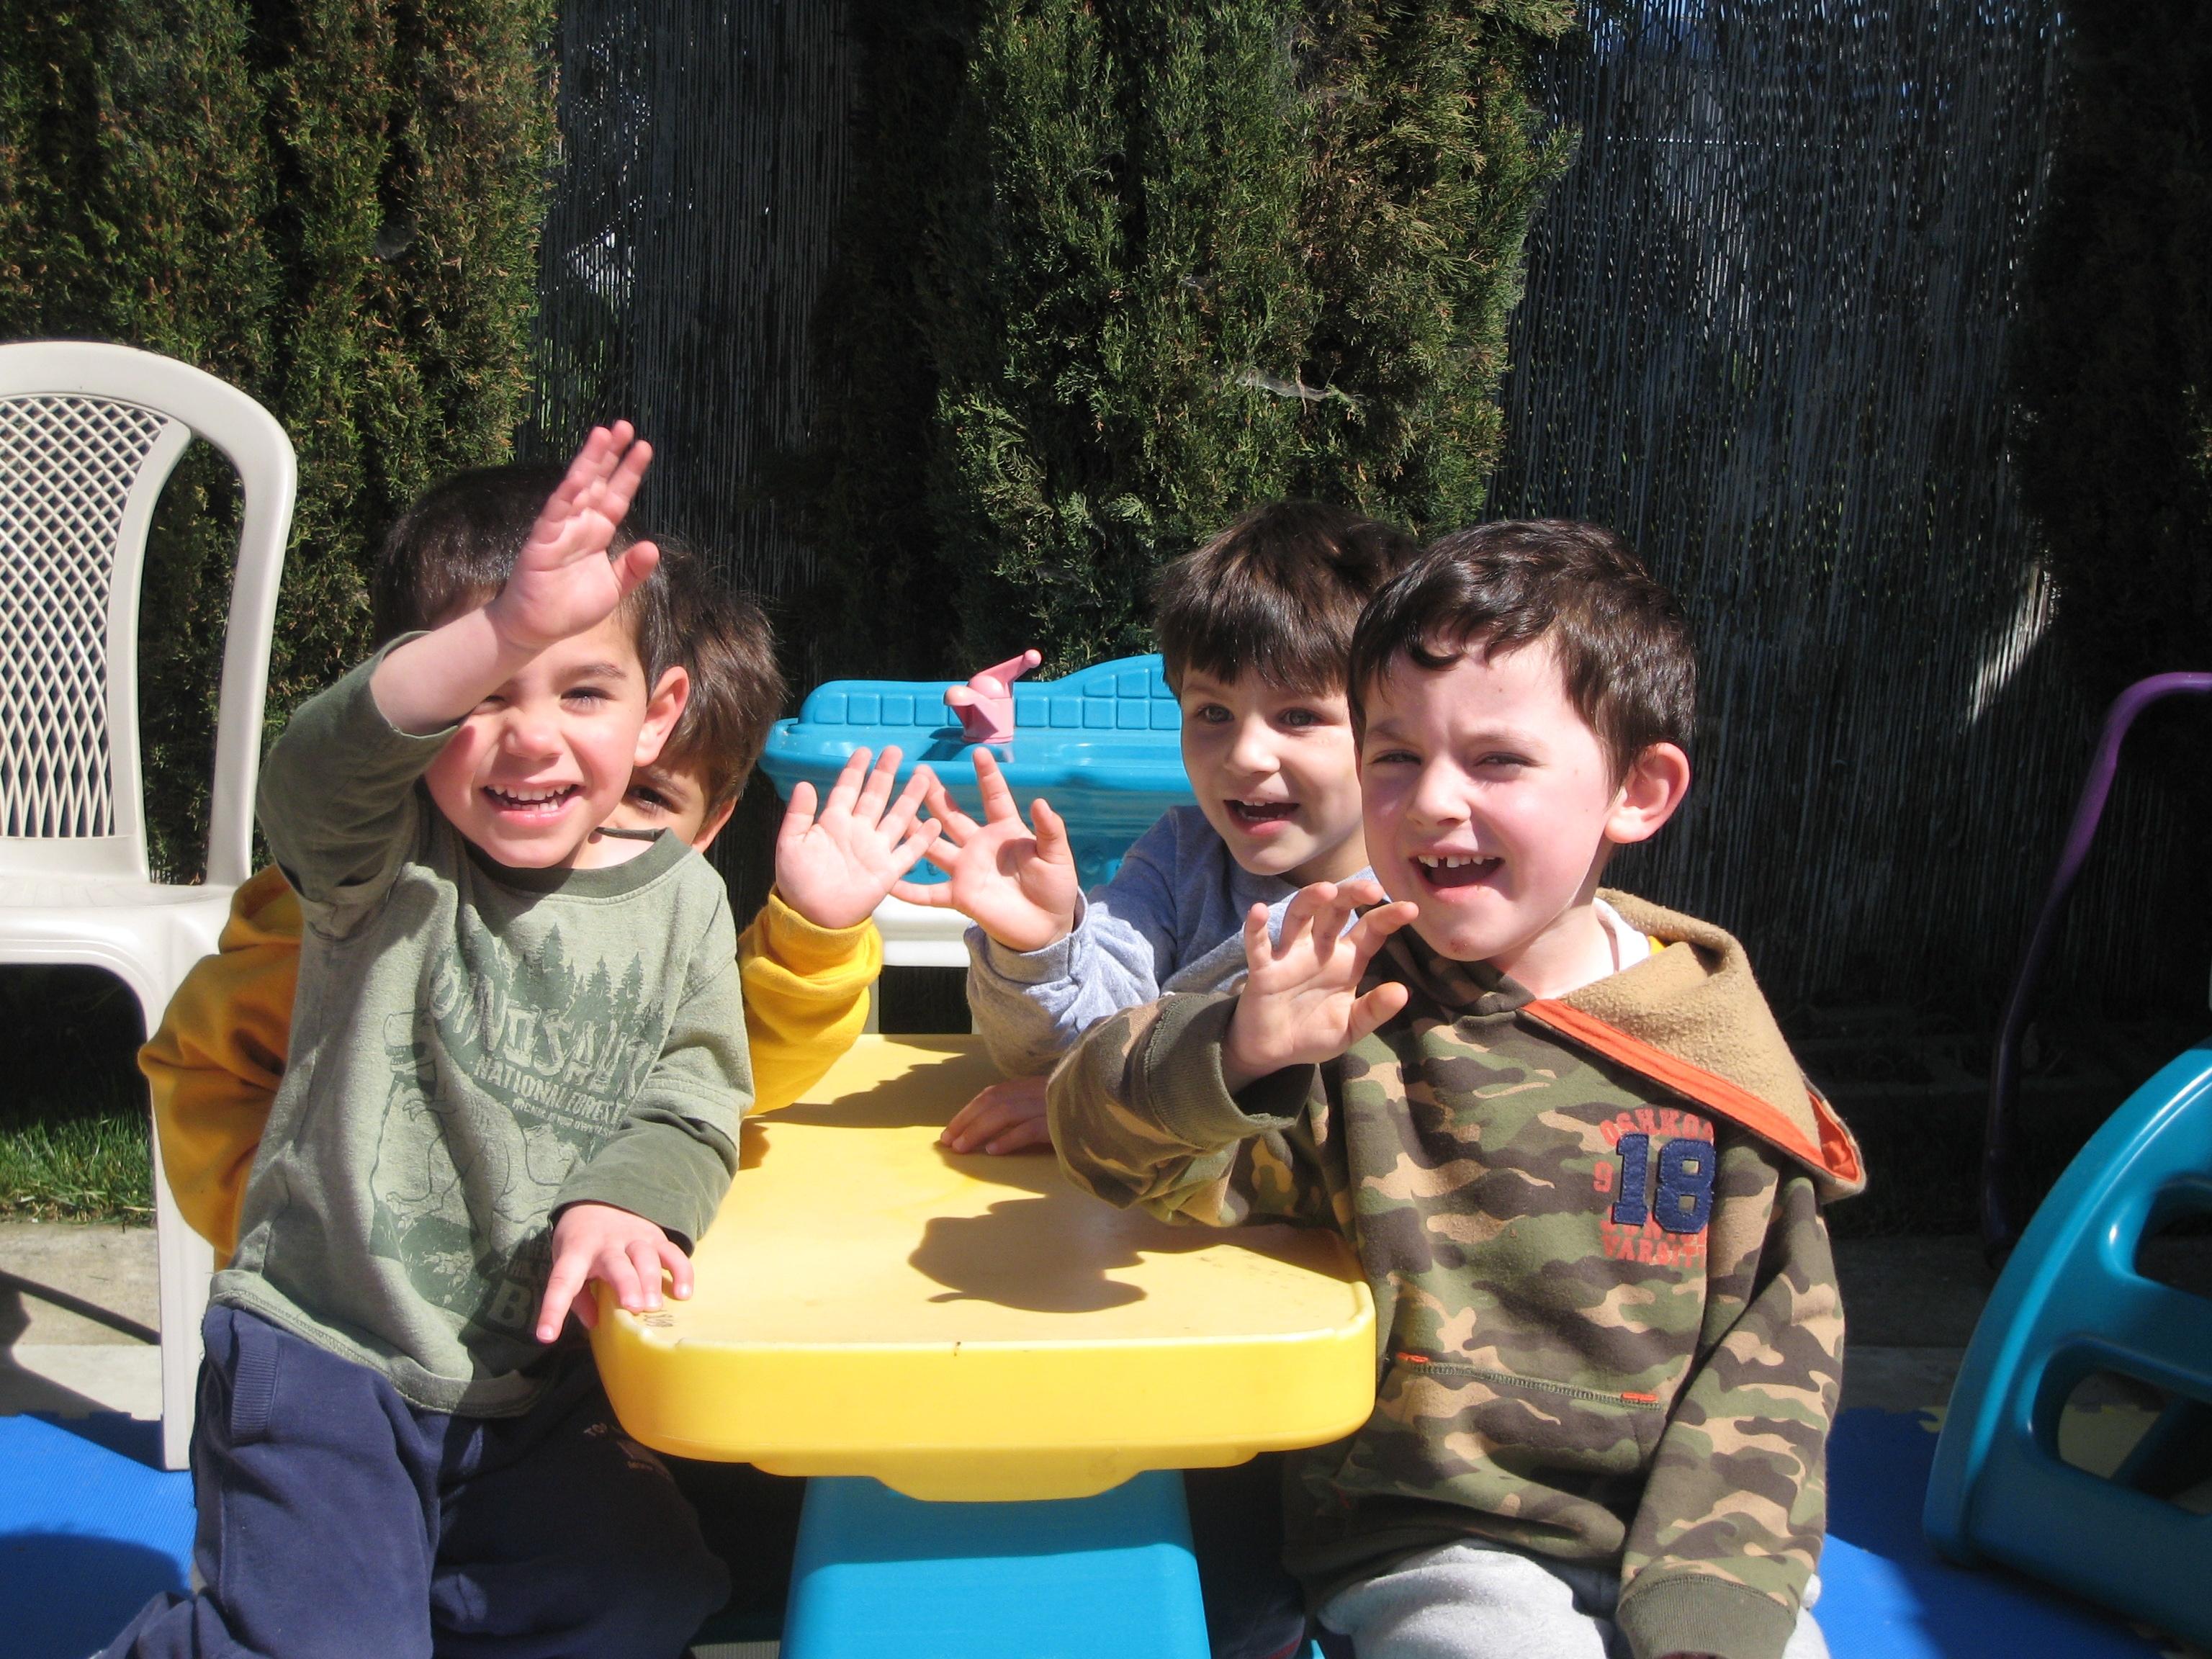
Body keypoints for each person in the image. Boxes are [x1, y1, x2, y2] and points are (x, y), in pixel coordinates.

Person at [102, 428, 931, 1659]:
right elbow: (312, 777)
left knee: (639, 1592)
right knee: (317, 1641)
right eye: (484, 693)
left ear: (658, 715)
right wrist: (492, 633)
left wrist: (624, 1199)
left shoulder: (682, 902)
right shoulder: (380, 862)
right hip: (328, 1349)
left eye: (578, 690)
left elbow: (697, 1091)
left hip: (524, 1385)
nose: (530, 734)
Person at [1047, 521, 1866, 1659]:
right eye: (1394, 756)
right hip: (1430, 1540)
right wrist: (1236, 1052)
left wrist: (1709, 1609)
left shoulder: (1709, 1053)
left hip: (1689, 1548)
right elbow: (1102, 1136)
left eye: (1495, 761)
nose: (1433, 801)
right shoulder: (1340, 999)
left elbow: (1773, 1361)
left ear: (1639, 789)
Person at [145, 523, 933, 1264]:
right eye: (495, 699)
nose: (576, 807)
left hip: (568, 1307)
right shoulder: (372, 897)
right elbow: (208, 1070)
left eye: (646, 796)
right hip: (347, 1312)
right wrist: (301, 1221)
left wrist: (814, 937)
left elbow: (725, 1074)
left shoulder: (664, 926)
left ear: (711, 825)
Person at [917, 501, 1419, 1157]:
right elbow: (1070, 1045)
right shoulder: (1183, 856)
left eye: (1298, 716)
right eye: (1213, 711)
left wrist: (1115, 1109)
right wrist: (1038, 947)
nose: (1244, 755)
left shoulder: (1426, 905)